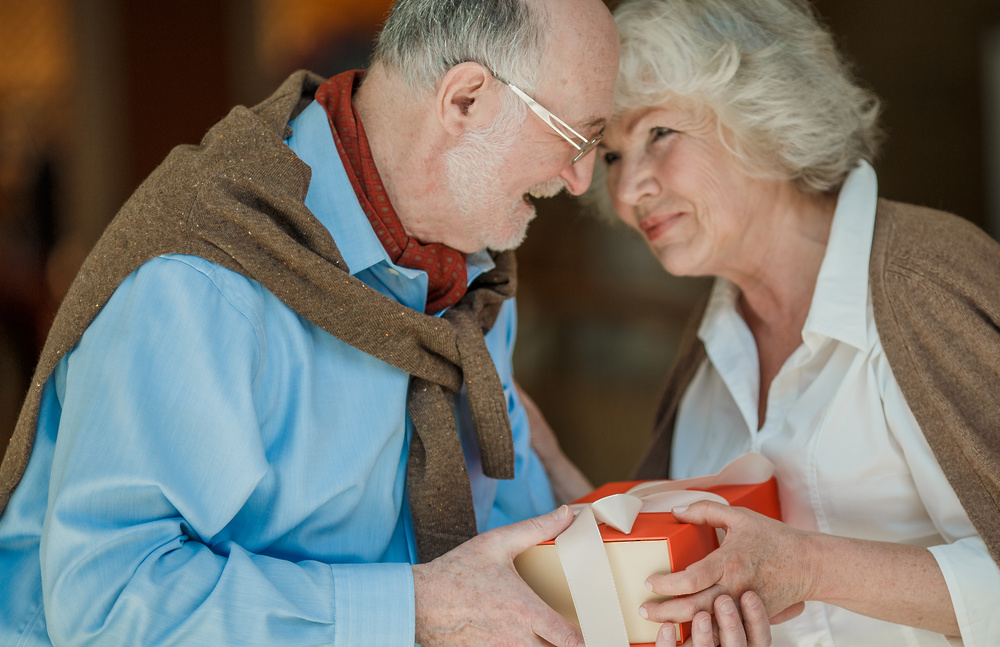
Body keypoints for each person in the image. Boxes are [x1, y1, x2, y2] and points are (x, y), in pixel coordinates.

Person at [0, 0, 619, 644]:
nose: (580, 180)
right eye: (576, 138)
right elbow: (107, 602)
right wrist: (418, 608)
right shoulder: (206, 279)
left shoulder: (471, 273)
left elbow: (505, 548)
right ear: (465, 100)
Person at [585, 0, 1000, 645]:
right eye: (610, 157)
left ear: (760, 112)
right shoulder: (709, 345)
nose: (628, 191)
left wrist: (808, 567)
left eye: (659, 135)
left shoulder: (931, 284)